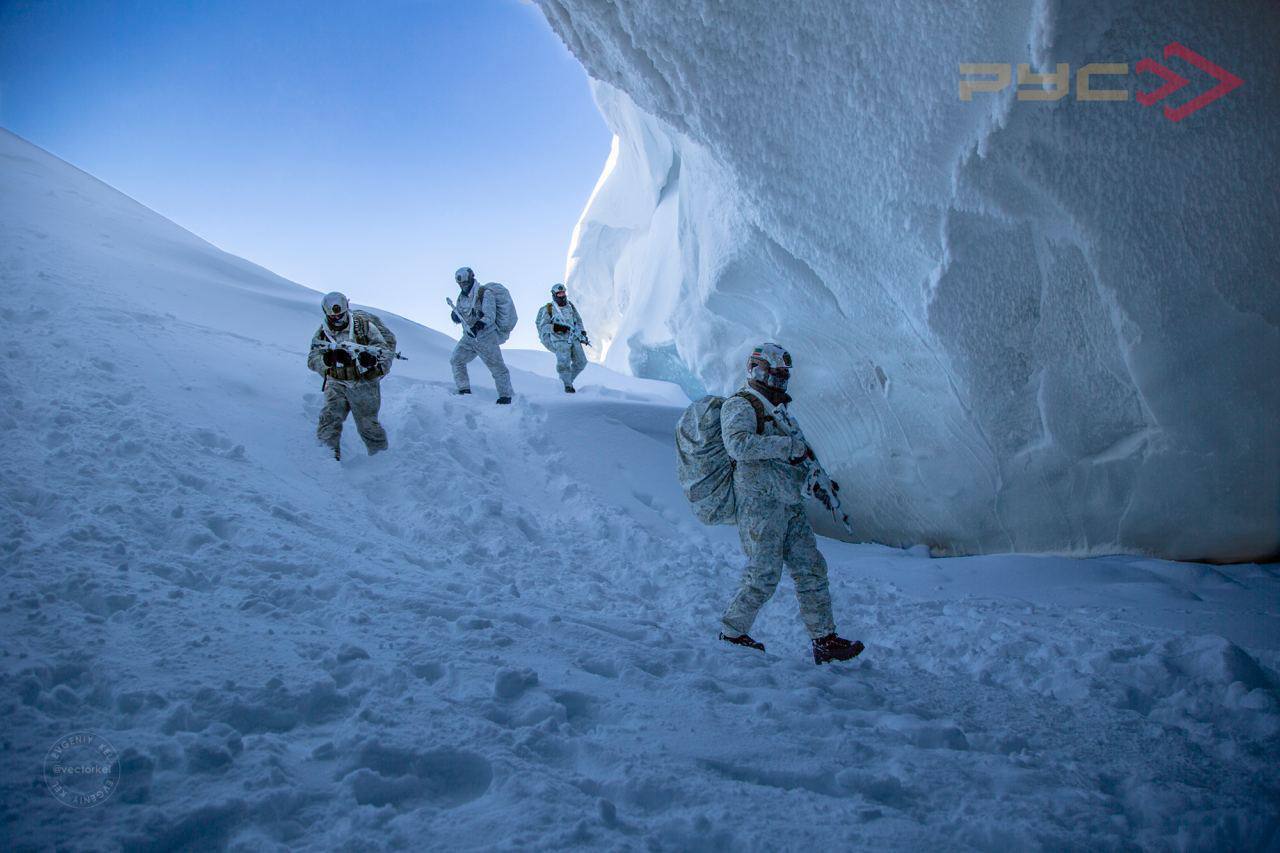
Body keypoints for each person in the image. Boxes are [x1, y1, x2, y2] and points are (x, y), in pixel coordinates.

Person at [718, 343, 864, 665]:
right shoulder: (741, 405)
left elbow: (797, 456)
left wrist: (817, 482)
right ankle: (730, 634)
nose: (780, 384)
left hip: (790, 504)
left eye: (784, 378)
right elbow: (738, 445)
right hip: (760, 506)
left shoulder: (779, 410)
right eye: (775, 376)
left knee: (811, 568)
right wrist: (786, 446)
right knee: (764, 574)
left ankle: (824, 640)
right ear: (758, 371)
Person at [307, 292, 391, 460]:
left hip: (363, 382)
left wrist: (371, 360)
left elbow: (384, 351)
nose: (337, 319)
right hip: (336, 381)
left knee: (368, 426)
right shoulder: (322, 333)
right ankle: (326, 459)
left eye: (341, 315)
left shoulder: (364, 326)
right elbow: (312, 358)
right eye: (333, 316)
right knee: (329, 419)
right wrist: (327, 360)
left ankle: (382, 462)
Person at [448, 266, 513, 404]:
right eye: (460, 283)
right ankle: (464, 391)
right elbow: (461, 314)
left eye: (465, 282)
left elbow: (489, 316)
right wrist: (455, 317)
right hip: (469, 338)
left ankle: (506, 397)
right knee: (456, 360)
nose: (463, 285)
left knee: (498, 368)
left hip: (486, 337)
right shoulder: (461, 298)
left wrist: (478, 325)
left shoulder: (485, 293)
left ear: (471, 278)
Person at [535, 283, 590, 392]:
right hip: (559, 340)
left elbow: (578, 320)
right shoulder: (548, 309)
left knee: (581, 362)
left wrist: (582, 333)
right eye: (559, 293)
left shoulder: (570, 306)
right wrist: (557, 328)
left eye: (563, 292)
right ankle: (567, 386)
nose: (562, 295)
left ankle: (564, 382)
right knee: (564, 364)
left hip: (573, 338)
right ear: (554, 295)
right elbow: (543, 326)